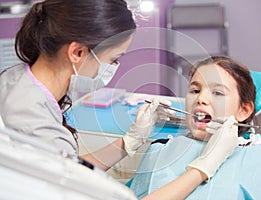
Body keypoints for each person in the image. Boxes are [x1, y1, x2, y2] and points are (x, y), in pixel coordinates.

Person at [0, 1, 240, 199]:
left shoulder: (16, 80)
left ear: (244, 109)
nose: (113, 68)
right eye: (113, 59)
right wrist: (204, 167)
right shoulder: (33, 122)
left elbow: (65, 167)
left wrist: (129, 142)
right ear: (77, 52)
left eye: (218, 93)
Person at [129, 56, 261, 199]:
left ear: (244, 111)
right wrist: (129, 141)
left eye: (218, 92)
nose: (201, 99)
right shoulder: (159, 149)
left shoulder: (259, 159)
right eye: (195, 91)